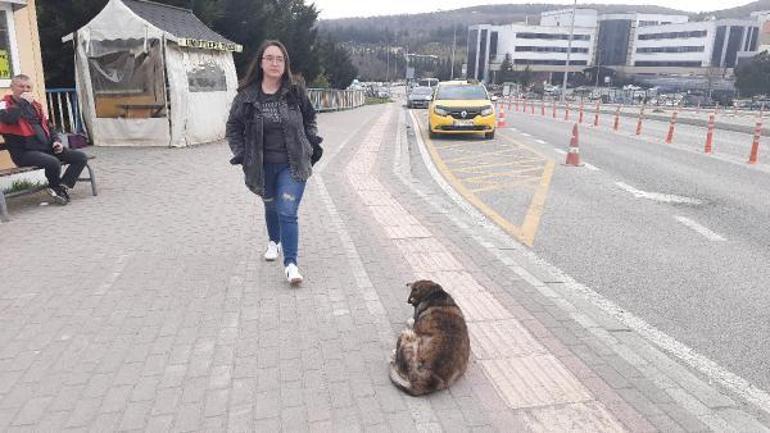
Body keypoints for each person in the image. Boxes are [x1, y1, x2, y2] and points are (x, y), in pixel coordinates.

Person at [226, 40, 323, 285]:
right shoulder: (247, 96)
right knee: (271, 207)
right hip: (261, 166)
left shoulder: (295, 90)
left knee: (287, 211)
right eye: (269, 58)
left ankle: (291, 264)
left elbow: (310, 117)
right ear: (261, 62)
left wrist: (310, 142)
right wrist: (241, 154)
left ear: (285, 63)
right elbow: (233, 128)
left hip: (293, 164)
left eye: (280, 59)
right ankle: (273, 242)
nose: (275, 63)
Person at [0, 74, 88, 205]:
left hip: (47, 148)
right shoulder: (3, 104)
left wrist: (57, 141)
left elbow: (49, 127)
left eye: (28, 87)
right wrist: (23, 103)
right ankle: (56, 189)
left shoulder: (36, 105)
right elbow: (8, 119)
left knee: (80, 157)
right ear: (12, 87)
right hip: (24, 153)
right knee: (52, 162)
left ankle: (62, 187)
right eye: (21, 86)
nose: (25, 90)